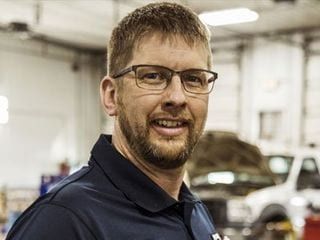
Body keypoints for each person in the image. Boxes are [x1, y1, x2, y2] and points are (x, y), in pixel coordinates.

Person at [6, 2, 225, 240]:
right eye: (152, 76)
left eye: (193, 79)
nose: (176, 97)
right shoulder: (63, 221)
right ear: (112, 96)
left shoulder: (192, 209)